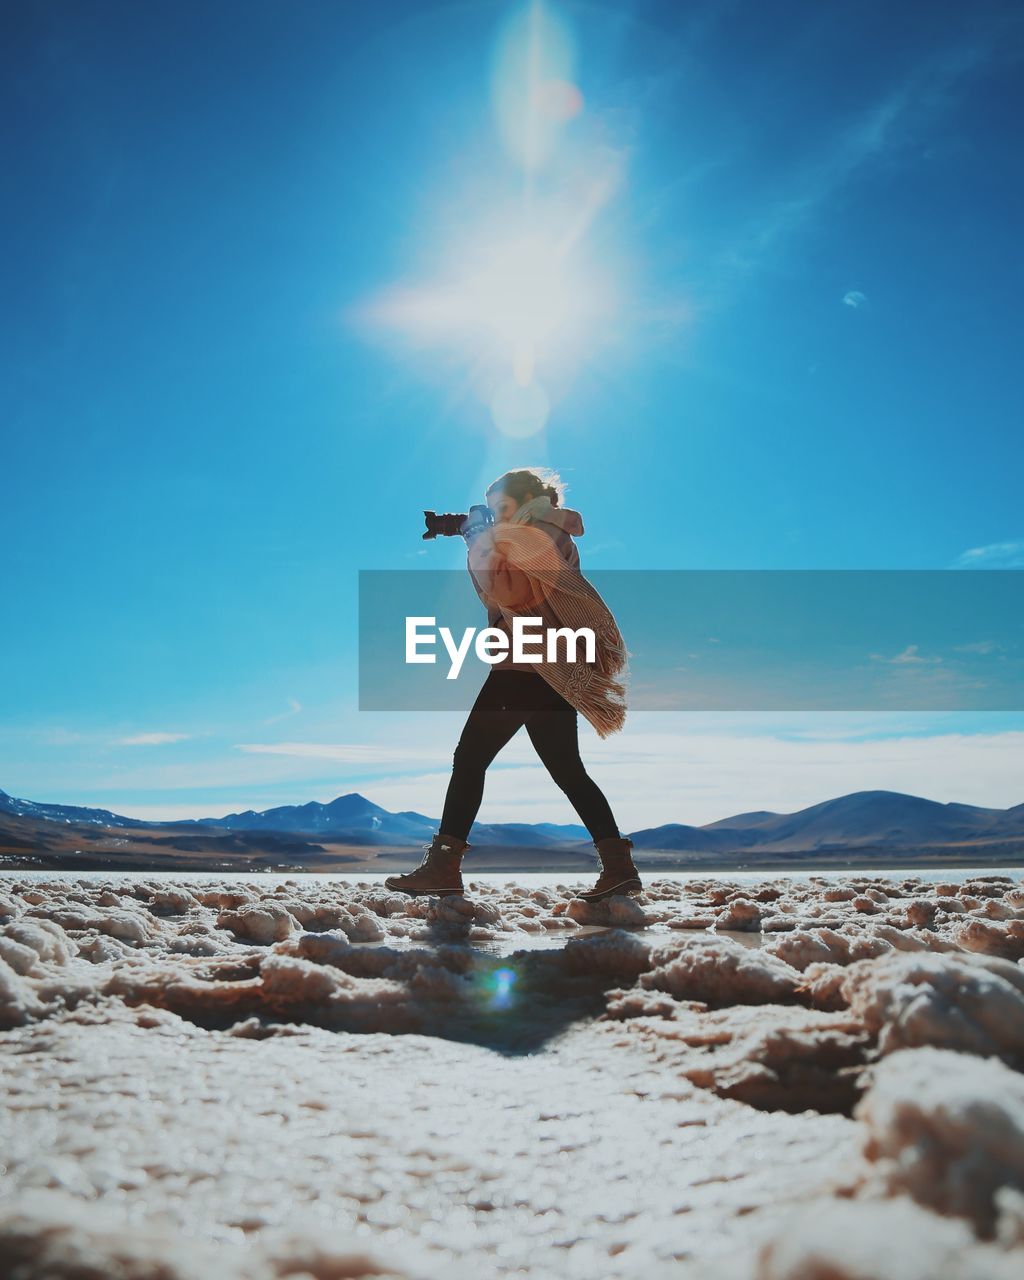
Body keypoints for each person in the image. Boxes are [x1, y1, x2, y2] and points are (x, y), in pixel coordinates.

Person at [385, 467, 642, 903]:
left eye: (500, 506)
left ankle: (443, 866)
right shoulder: (534, 533)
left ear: (524, 501)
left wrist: (478, 539)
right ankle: (619, 867)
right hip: (546, 669)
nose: (495, 515)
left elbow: (512, 593)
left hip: (525, 666)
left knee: (469, 759)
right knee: (569, 772)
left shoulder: (535, 537)